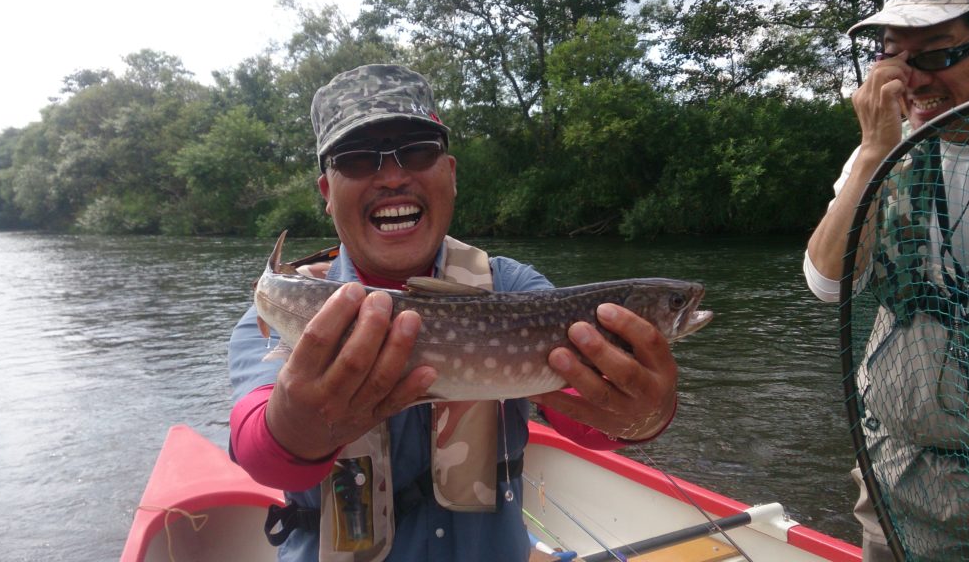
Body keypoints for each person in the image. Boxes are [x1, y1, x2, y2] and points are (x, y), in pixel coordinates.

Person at [228, 64, 681, 562]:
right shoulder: (290, 307)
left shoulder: (516, 290)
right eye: (357, 161)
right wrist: (294, 428)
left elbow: (587, 419)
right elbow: (258, 450)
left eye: (418, 151)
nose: (394, 176)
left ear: (451, 174)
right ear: (327, 196)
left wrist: (644, 416)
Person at [803, 0, 969, 559]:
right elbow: (828, 283)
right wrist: (871, 153)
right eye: (892, 57)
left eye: (936, 55)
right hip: (898, 474)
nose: (911, 80)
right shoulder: (886, 152)